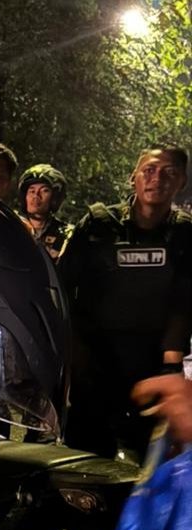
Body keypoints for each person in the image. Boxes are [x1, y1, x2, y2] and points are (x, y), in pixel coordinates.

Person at [62, 144, 192, 459]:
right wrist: (71, 354)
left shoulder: (185, 233)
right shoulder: (97, 225)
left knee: (151, 462)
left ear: (181, 183)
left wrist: (171, 364)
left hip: (153, 366)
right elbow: (61, 287)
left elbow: (184, 302)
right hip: (92, 363)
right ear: (134, 177)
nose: (157, 179)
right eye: (149, 170)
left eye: (169, 173)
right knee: (85, 461)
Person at [17, 163, 73, 262]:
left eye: (44, 191)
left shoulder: (68, 236)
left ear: (55, 198)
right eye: (32, 191)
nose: (36, 196)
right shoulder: (13, 227)